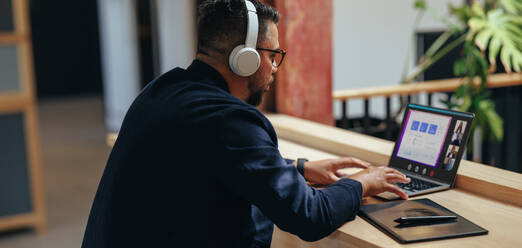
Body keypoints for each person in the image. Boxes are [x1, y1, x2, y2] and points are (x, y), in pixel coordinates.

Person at [81, 1, 410, 247]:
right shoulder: (231, 119)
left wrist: (295, 169)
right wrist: (363, 183)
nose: (275, 68)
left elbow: (211, 158)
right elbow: (309, 217)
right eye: (273, 56)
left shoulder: (164, 90)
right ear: (246, 58)